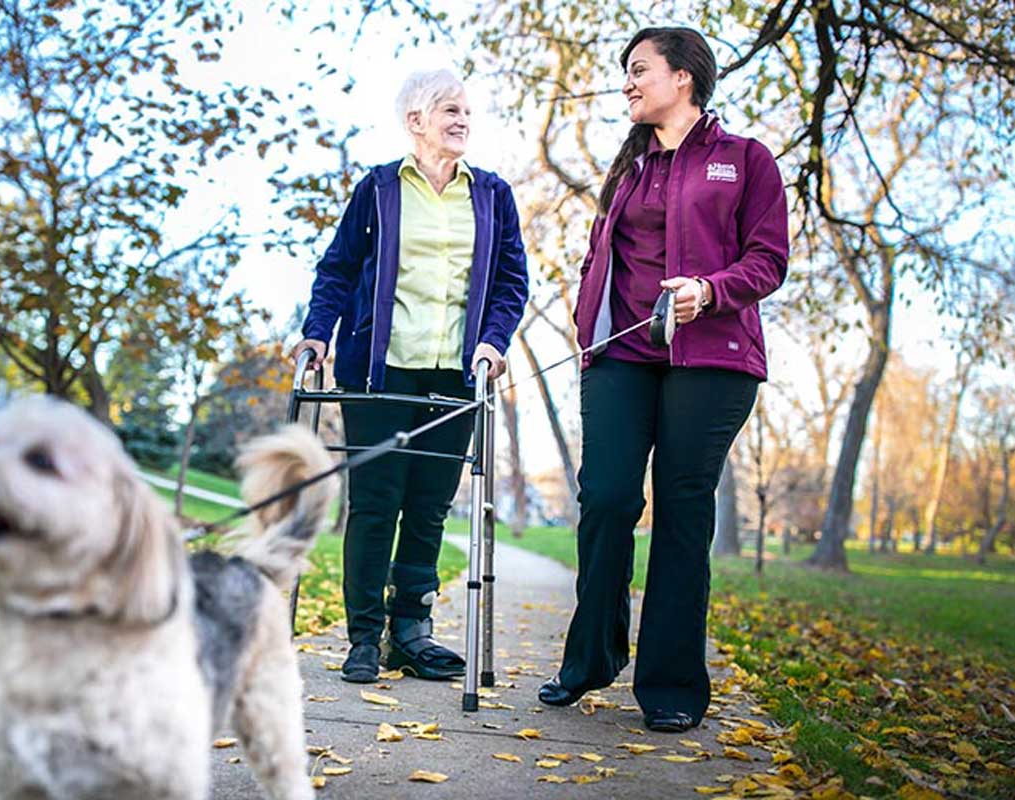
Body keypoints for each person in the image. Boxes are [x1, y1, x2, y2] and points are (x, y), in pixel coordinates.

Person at [538, 27, 788, 733]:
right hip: (620, 356)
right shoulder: (628, 169)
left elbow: (769, 259)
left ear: (683, 78)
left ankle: (672, 685)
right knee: (609, 499)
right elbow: (600, 261)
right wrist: (587, 331)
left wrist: (709, 291)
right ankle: (589, 660)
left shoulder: (744, 160)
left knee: (682, 513)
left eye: (638, 70)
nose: (627, 82)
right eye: (626, 72)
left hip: (710, 362)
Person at [292, 69, 529, 684]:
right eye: (449, 109)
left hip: (455, 373)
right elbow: (338, 270)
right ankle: (364, 638)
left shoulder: (493, 195)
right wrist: (318, 331)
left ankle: (412, 631)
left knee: (427, 508)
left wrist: (493, 342)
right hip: (380, 369)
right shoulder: (377, 189)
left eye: (467, 112)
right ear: (415, 121)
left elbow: (510, 283)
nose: (462, 120)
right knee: (375, 504)